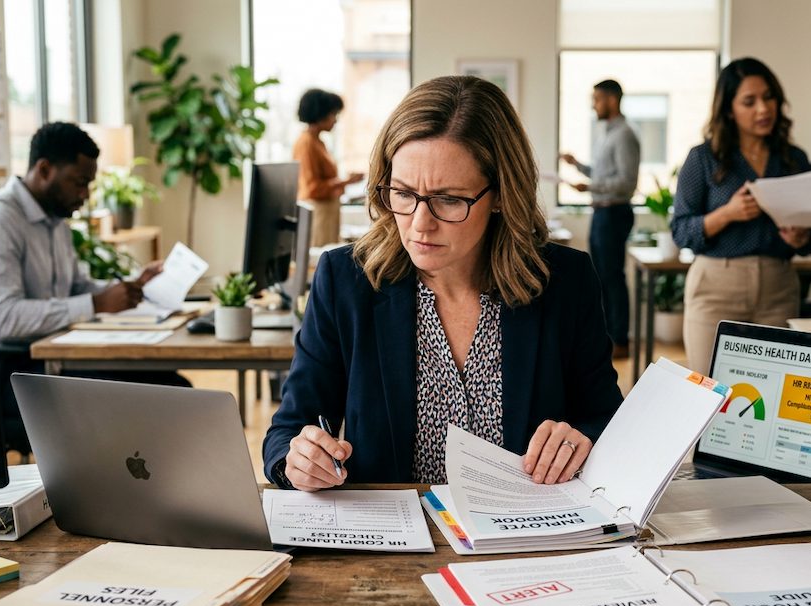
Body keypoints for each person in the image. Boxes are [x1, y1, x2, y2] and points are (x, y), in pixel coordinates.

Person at [263, 76, 624, 491]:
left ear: (501, 195)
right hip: (393, 532)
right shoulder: (345, 280)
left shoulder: (565, 281)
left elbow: (607, 419)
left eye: (449, 199)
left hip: (524, 527)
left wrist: (582, 438)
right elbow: (287, 431)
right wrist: (297, 460)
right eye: (402, 193)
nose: (420, 224)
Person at [670, 58, 811, 373]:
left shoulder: (793, 159)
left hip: (778, 288)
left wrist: (802, 236)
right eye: (749, 102)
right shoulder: (703, 158)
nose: (763, 109)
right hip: (716, 288)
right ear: (729, 109)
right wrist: (727, 214)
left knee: (774, 391)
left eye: (769, 98)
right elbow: (681, 231)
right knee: (710, 389)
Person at [0, 121, 163, 344]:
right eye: (80, 183)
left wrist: (133, 285)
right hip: (20, 358)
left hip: (60, 347)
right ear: (44, 170)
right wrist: (97, 304)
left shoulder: (57, 218)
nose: (85, 195)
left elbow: (77, 288)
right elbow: (3, 317)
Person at [559, 79, 640, 358]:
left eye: (597, 99)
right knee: (601, 277)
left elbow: (627, 182)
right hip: (602, 211)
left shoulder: (625, 134)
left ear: (612, 100)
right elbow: (604, 174)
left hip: (614, 213)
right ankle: (607, 338)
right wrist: (578, 166)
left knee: (612, 277)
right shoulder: (607, 133)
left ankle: (620, 340)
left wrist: (590, 187)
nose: (593, 105)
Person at [293, 89, 364, 248]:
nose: (335, 120)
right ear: (321, 115)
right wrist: (346, 181)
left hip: (328, 212)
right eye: (334, 114)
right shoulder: (306, 144)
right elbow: (312, 188)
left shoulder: (318, 142)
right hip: (318, 212)